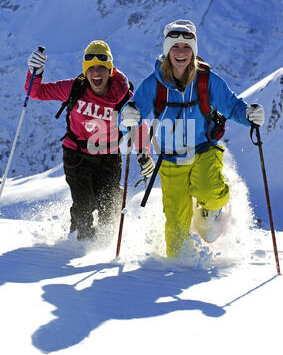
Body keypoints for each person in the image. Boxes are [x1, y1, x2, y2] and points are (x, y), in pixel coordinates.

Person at [120, 20, 264, 258]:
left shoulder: (207, 80)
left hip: (203, 149)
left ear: (194, 51)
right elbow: (130, 114)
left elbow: (232, 105)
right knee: (176, 225)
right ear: (167, 51)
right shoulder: (154, 84)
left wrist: (249, 115)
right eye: (175, 47)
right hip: (170, 159)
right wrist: (127, 118)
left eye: (186, 47)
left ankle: (213, 210)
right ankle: (180, 266)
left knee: (210, 190)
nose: (181, 52)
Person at [26, 40, 154, 241]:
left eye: (102, 68)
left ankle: (105, 247)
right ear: (85, 71)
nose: (96, 73)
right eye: (91, 68)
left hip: (109, 156)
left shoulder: (122, 96)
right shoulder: (74, 88)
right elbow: (35, 92)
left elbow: (138, 125)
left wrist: (144, 154)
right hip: (77, 154)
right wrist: (36, 72)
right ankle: (77, 243)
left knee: (110, 205)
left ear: (110, 70)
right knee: (84, 204)